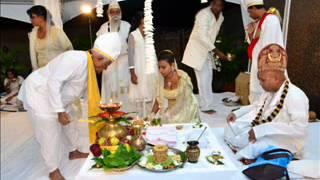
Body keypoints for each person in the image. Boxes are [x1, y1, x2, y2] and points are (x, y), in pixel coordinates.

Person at [18, 33, 121, 180]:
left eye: (108, 64)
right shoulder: (75, 59)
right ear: (97, 56)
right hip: (39, 93)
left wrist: (103, 112)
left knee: (70, 122)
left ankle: (74, 151)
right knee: (49, 132)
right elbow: (53, 82)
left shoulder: (90, 69)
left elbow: (87, 97)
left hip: (60, 98)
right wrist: (59, 111)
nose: (105, 68)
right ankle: (53, 170)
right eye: (106, 63)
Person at [224, 44, 309, 164]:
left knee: (254, 147)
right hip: (264, 129)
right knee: (231, 127)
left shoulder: (296, 96)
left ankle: (251, 157)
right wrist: (237, 113)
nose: (260, 83)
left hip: (286, 139)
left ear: (276, 79)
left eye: (262, 80)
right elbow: (256, 106)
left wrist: (261, 130)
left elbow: (299, 129)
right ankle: (250, 152)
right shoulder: (269, 91)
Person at [182, 0, 231, 114]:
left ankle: (206, 103)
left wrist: (214, 49)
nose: (217, 7)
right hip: (198, 49)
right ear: (211, 3)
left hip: (208, 50)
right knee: (203, 78)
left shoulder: (221, 16)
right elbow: (202, 36)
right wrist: (217, 51)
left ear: (222, 6)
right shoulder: (203, 15)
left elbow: (212, 35)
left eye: (219, 5)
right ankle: (205, 106)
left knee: (208, 77)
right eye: (215, 4)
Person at [244, 0, 284, 103]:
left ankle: (262, 115)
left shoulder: (270, 19)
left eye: (249, 12)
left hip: (266, 65)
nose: (249, 15)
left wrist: (265, 68)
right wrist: (250, 32)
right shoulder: (260, 21)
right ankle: (256, 113)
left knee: (265, 93)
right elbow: (254, 42)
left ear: (254, 8)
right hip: (258, 64)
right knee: (257, 91)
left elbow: (269, 44)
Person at [96, 0, 131, 106]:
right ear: (108, 13)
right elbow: (98, 47)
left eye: (117, 11)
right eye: (112, 12)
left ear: (121, 13)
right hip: (108, 64)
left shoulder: (127, 26)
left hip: (124, 62)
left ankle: (127, 115)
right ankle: (110, 115)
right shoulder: (103, 28)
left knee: (124, 88)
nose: (115, 14)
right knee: (109, 87)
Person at [151, 50, 200, 124]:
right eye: (159, 67)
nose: (160, 70)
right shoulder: (160, 80)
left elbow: (185, 103)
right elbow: (158, 100)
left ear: (172, 66)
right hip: (170, 112)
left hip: (185, 109)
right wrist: (151, 115)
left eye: (163, 67)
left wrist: (169, 115)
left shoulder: (183, 79)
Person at [128, 11, 158, 117]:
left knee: (152, 94)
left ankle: (150, 117)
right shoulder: (133, 35)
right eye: (143, 23)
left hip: (150, 69)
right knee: (140, 97)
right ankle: (140, 119)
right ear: (139, 23)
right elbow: (130, 56)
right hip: (139, 69)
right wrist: (132, 73)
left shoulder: (149, 35)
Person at [27, 5, 73, 71]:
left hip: (59, 70)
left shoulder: (57, 31)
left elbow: (69, 49)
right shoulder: (33, 34)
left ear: (41, 17)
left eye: (33, 17)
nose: (31, 20)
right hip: (42, 72)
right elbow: (33, 56)